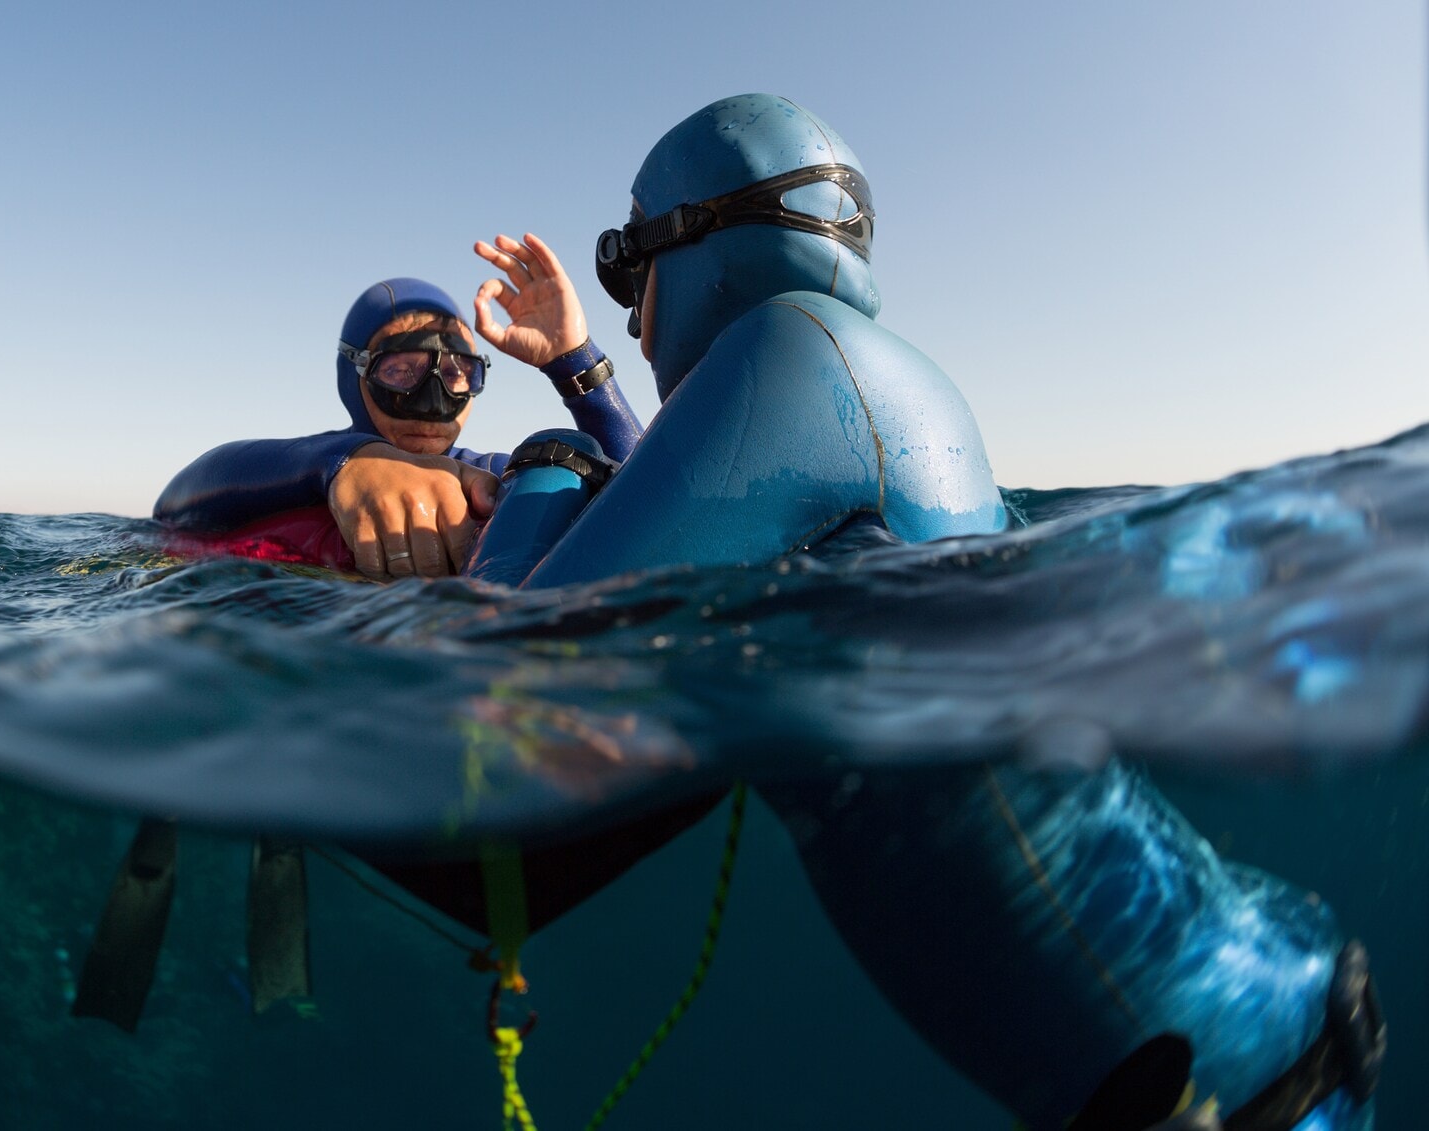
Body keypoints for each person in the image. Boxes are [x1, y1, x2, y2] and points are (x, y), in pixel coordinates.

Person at [472, 94, 1382, 1131]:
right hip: (1243, 1015)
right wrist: (575, 374)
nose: (633, 323)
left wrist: (538, 475)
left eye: (629, 274)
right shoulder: (850, 369)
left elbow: (498, 686)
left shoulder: (790, 351)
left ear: (690, 241)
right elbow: (689, 514)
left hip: (1226, 1081)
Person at [154, 263, 641, 580]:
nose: (432, 402)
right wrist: (345, 463)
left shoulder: (491, 474)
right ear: (355, 375)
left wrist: (574, 361)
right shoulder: (308, 469)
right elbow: (176, 500)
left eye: (456, 374)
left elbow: (649, 491)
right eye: (401, 371)